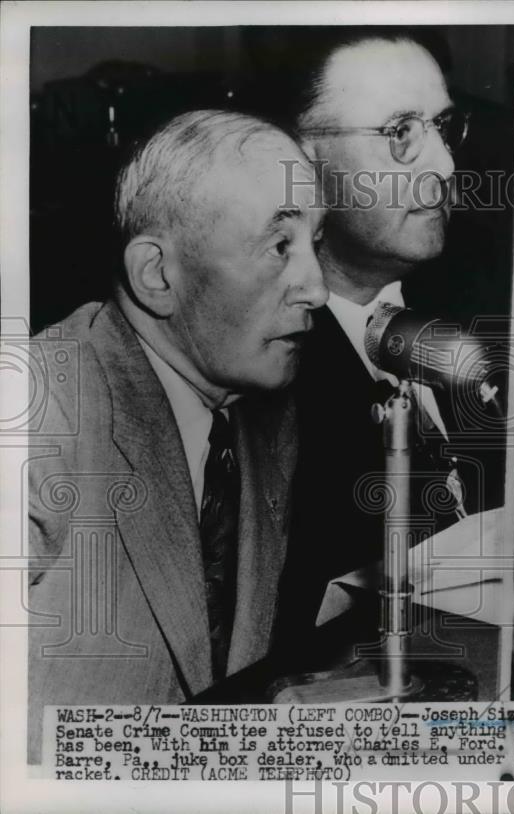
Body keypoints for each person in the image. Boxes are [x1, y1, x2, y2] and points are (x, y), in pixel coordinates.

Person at [27, 110, 327, 760]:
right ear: (158, 275)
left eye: (315, 244)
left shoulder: (266, 417)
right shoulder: (39, 405)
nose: (317, 288)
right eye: (280, 246)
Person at [276, 31, 488, 644]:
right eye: (400, 133)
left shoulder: (474, 326)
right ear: (300, 164)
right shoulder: (259, 375)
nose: (446, 167)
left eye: (444, 128)